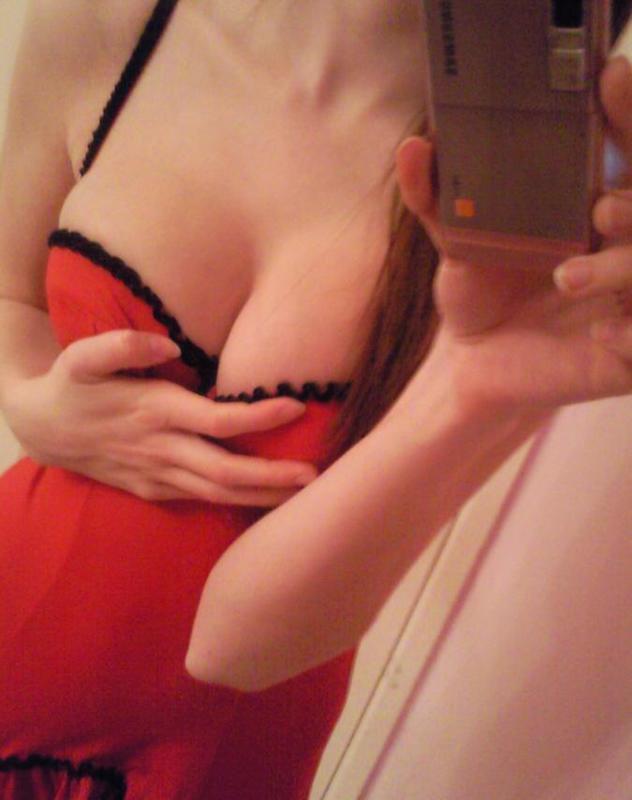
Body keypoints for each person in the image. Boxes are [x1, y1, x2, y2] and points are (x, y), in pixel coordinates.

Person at [0, 0, 631, 798]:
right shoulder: (105, 17)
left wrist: (470, 387)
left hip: (221, 756)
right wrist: (33, 409)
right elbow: (10, 296)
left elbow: (234, 649)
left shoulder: (526, 186)